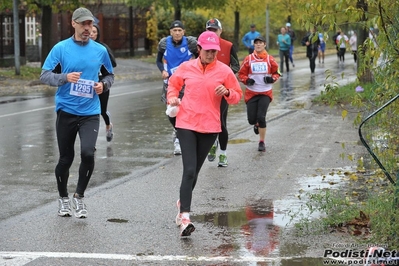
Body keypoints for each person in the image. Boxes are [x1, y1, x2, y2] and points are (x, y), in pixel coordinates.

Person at [40, 7, 114, 218]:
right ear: (73, 24)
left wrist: (103, 86)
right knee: (66, 158)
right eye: (83, 24)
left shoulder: (100, 50)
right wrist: (64, 78)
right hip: (66, 110)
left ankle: (79, 197)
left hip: (90, 111)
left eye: (90, 24)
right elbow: (44, 76)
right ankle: (63, 199)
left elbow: (110, 75)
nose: (87, 28)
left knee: (88, 153)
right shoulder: (61, 48)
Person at [167, 31, 242, 236]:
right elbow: (173, 85)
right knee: (189, 170)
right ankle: (185, 218)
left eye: (214, 51)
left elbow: (237, 96)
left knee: (195, 173)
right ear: (199, 49)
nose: (211, 55)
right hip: (186, 123)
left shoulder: (224, 71)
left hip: (210, 127)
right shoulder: (186, 67)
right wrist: (173, 98)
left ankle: (183, 202)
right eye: (208, 51)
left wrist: (227, 92)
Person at [156, 20, 198, 155]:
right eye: (175, 30)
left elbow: (200, 56)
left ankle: (179, 140)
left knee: (186, 110)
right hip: (170, 82)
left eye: (180, 30)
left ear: (184, 32)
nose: (177, 33)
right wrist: (162, 70)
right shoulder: (164, 43)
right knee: (171, 111)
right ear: (170, 32)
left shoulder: (191, 43)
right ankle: (177, 130)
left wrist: (194, 64)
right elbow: (158, 59)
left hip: (186, 83)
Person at [205, 18, 240, 167]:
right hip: (205, 91)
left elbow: (236, 66)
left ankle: (223, 154)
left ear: (220, 31)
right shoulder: (201, 46)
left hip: (222, 91)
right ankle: (212, 144)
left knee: (221, 122)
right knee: (207, 122)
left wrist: (224, 79)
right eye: (209, 30)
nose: (212, 32)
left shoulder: (228, 46)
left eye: (215, 30)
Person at [237, 36, 281, 152]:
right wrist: (247, 80)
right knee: (251, 119)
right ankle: (255, 124)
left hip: (265, 92)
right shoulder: (249, 59)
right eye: (256, 43)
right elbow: (241, 74)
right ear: (254, 45)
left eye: (260, 43)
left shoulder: (270, 59)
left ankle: (261, 142)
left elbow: (278, 72)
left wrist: (272, 79)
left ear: (264, 45)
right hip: (251, 93)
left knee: (261, 117)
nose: (258, 45)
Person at [90, 24, 117, 142]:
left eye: (94, 32)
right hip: (88, 83)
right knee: (90, 113)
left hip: (102, 83)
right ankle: (91, 141)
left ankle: (108, 125)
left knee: (101, 110)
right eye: (90, 32)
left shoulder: (102, 48)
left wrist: (101, 65)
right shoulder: (81, 48)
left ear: (98, 34)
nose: (91, 34)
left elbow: (113, 64)